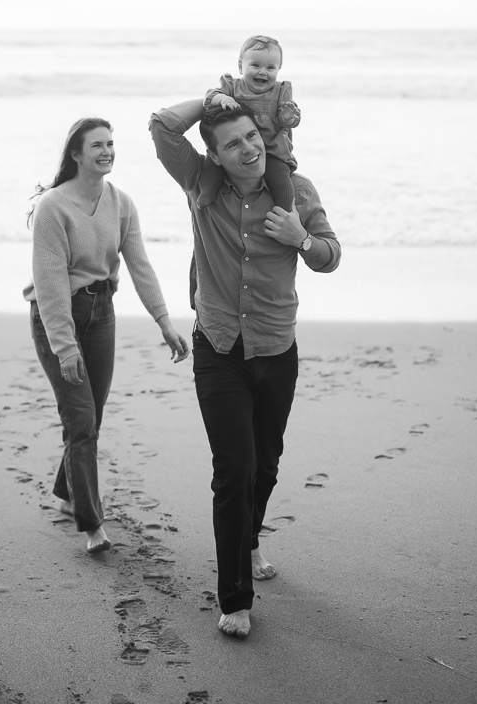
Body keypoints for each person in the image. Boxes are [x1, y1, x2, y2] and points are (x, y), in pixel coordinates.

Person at [149, 98, 340, 637]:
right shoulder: (200, 185)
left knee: (266, 463)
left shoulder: (296, 192)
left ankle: (250, 537)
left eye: (252, 136)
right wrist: (213, 100)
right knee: (234, 469)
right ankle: (235, 597)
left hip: (276, 349)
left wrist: (300, 239)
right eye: (232, 143)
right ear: (214, 155)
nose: (248, 148)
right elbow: (162, 126)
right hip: (218, 349)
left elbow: (331, 254)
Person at [25, 117, 189, 555]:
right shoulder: (52, 208)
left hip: (102, 313)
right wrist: (64, 348)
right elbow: (50, 285)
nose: (107, 151)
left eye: (111, 144)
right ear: (76, 155)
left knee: (91, 416)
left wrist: (164, 322)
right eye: (97, 145)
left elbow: (140, 266)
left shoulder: (121, 203)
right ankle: (91, 523)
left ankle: (66, 494)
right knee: (80, 421)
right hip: (56, 317)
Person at [199, 34, 300, 212]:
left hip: (272, 149)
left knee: (280, 177)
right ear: (240, 66)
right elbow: (209, 96)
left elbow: (292, 120)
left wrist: (287, 118)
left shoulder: (281, 91)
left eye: (270, 67)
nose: (262, 72)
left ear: (279, 69)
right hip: (239, 145)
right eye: (255, 65)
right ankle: (207, 192)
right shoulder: (232, 87)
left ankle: (284, 211)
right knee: (212, 165)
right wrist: (223, 99)